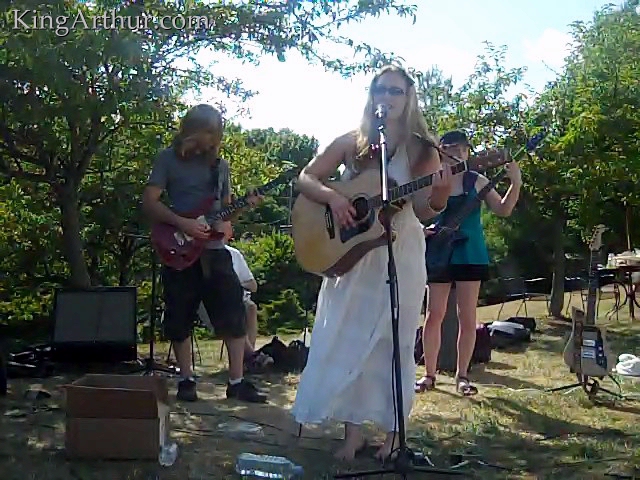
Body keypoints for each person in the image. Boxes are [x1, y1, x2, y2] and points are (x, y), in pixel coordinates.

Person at [291, 65, 452, 462]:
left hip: (401, 251)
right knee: (350, 338)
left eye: (395, 91)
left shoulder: (423, 149)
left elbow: (423, 210)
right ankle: (353, 434)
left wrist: (441, 193)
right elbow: (306, 178)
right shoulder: (353, 141)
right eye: (381, 90)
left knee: (394, 341)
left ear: (409, 98)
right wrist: (335, 199)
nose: (387, 97)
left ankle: (394, 435)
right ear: (371, 95)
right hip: (353, 255)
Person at [142, 104, 267, 404]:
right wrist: (182, 223)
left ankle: (236, 382)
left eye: (215, 135)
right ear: (192, 130)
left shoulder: (220, 167)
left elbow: (225, 212)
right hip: (177, 248)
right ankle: (186, 380)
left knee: (233, 313)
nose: (211, 141)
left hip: (214, 250)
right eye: (208, 133)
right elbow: (149, 202)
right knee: (179, 316)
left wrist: (241, 209)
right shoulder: (167, 159)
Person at [415, 130, 522, 396]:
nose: (458, 154)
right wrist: (420, 229)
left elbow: (503, 209)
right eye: (451, 149)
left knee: (467, 316)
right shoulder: (432, 179)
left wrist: (515, 183)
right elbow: (415, 213)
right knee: (434, 315)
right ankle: (429, 375)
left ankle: (462, 376)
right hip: (439, 252)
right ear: (441, 151)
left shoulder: (477, 180)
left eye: (463, 149)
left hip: (470, 253)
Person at [198, 222, 259, 360]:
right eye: (227, 224)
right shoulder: (203, 254)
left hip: (236, 298)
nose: (230, 228)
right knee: (229, 307)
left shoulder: (234, 254)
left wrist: (234, 283)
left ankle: (247, 357)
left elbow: (253, 285)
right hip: (214, 301)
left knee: (250, 307)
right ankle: (250, 357)